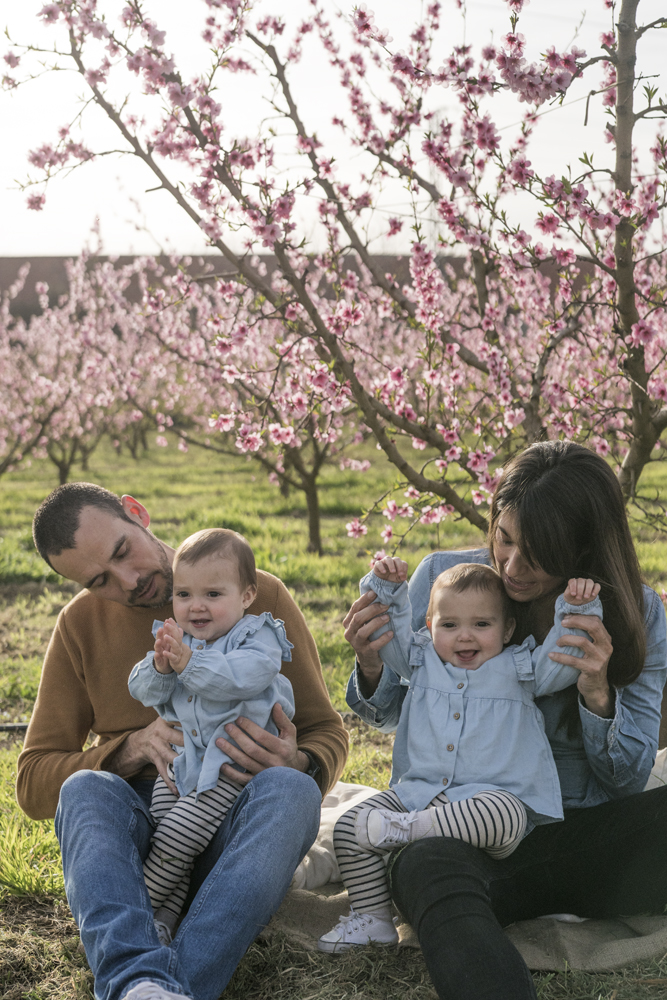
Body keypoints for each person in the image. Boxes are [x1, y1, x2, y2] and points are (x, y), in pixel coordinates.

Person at [344, 441, 667, 1000]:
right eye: (505, 537)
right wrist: (371, 663)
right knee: (423, 863)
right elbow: (391, 711)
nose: (512, 567)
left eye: (538, 552)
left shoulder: (637, 611)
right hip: (461, 835)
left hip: (578, 838)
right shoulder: (446, 578)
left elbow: (626, 781)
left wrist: (595, 693)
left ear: (584, 548)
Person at [18, 483, 348, 1000]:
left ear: (137, 512)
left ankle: (150, 984)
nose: (128, 581)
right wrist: (127, 749)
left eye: (124, 552)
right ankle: (143, 983)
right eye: (99, 580)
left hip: (230, 825)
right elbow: (33, 780)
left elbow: (326, 729)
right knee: (84, 790)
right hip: (141, 838)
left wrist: (297, 757)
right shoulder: (79, 625)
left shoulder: (257, 593)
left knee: (294, 792)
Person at [319, 558, 600, 953]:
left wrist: (577, 608)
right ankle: (373, 918)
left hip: (490, 798)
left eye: (481, 625)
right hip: (417, 792)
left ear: (508, 629)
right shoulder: (420, 661)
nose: (464, 637)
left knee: (503, 815)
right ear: (429, 626)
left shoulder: (520, 668)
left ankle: (409, 830)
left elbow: (564, 661)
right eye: (449, 625)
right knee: (350, 827)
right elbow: (387, 634)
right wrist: (385, 589)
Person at [128, 527, 296, 946]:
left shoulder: (258, 637)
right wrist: (162, 669)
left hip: (231, 765)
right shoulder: (180, 641)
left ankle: (139, 915)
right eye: (183, 595)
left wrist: (187, 666)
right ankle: (168, 920)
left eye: (213, 595)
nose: (195, 607)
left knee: (175, 838)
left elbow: (239, 679)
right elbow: (141, 689)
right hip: (182, 766)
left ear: (247, 595)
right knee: (169, 832)